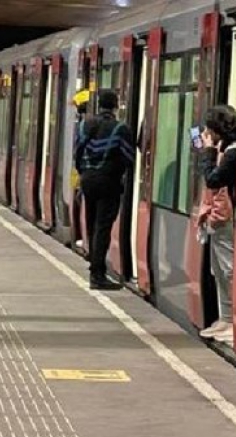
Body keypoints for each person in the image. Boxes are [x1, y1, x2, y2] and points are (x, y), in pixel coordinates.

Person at [74, 90, 134, 291]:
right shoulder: (120, 129)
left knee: (92, 224)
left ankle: (94, 265)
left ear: (99, 105)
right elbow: (128, 158)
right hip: (109, 182)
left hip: (87, 180)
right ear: (115, 106)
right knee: (103, 227)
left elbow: (77, 153)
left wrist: (84, 172)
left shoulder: (85, 125)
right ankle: (97, 274)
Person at [197, 105, 236, 345]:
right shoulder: (226, 149)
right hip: (220, 219)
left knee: (228, 270)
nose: (206, 132)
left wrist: (207, 153)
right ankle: (226, 317)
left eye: (208, 128)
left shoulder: (234, 152)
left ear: (217, 130)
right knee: (218, 270)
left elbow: (213, 179)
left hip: (226, 220)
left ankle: (234, 319)